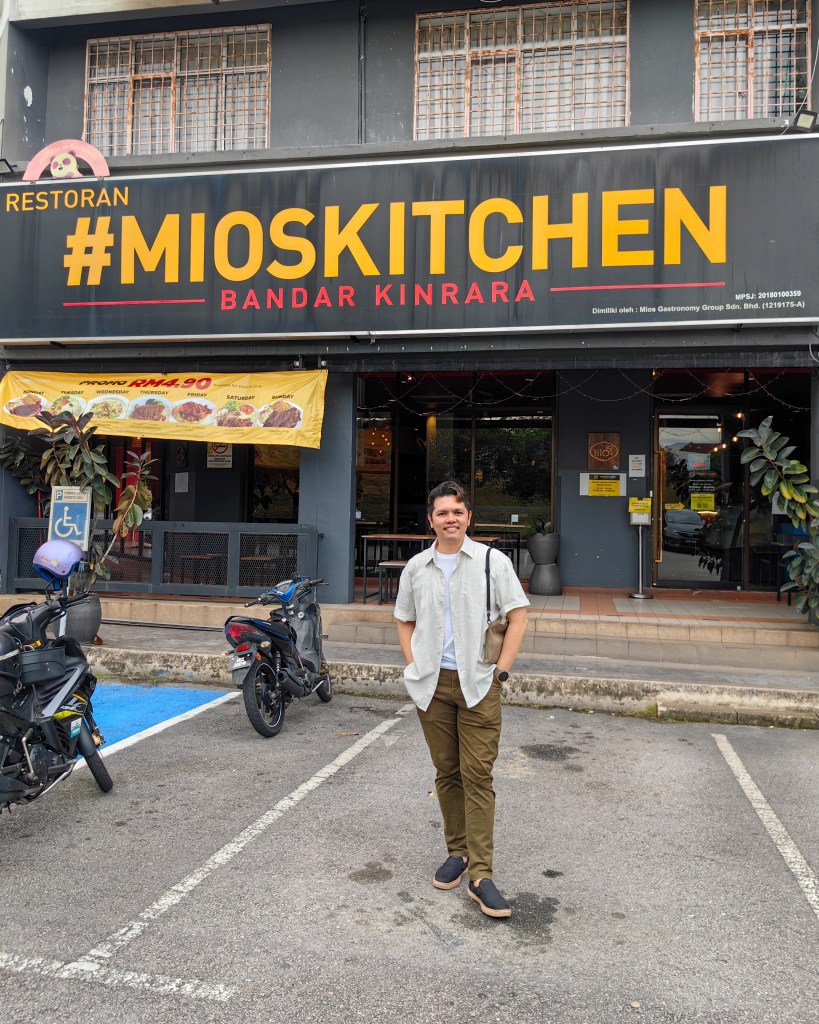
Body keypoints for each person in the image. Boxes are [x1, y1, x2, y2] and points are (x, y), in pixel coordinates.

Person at [394, 480, 529, 918]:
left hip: (479, 683)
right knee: (447, 772)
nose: (450, 519)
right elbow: (404, 619)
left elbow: (518, 616)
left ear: (469, 516)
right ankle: (457, 852)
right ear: (430, 520)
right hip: (432, 685)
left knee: (478, 775)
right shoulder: (416, 567)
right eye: (442, 513)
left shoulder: (493, 561)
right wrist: (414, 665)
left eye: (457, 511)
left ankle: (481, 875)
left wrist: (501, 670)